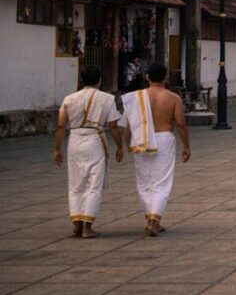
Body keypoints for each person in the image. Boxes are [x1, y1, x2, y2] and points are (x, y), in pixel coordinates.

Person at [54, 66, 124, 238]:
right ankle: (87, 227)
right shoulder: (107, 98)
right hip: (95, 141)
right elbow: (113, 126)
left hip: (75, 140)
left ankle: (77, 224)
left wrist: (57, 148)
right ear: (99, 81)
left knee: (76, 184)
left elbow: (61, 125)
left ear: (81, 80)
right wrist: (120, 147)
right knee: (93, 184)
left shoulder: (69, 99)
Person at [121, 62, 190, 237]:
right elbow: (181, 124)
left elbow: (130, 125)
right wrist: (186, 146)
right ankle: (154, 220)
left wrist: (126, 143)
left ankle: (150, 218)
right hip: (164, 138)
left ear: (147, 77)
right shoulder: (173, 98)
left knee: (145, 180)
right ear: (165, 77)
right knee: (162, 181)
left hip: (142, 139)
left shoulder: (137, 97)